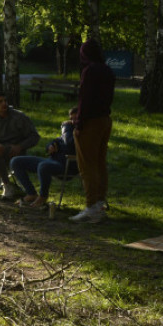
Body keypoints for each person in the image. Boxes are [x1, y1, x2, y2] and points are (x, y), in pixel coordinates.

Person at [70, 39, 115, 224]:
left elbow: (84, 100)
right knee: (99, 162)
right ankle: (100, 202)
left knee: (87, 165)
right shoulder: (107, 70)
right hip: (105, 119)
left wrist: (79, 124)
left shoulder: (89, 71)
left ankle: (91, 206)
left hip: (90, 122)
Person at [9, 107, 78, 207]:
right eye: (71, 119)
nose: (73, 121)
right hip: (52, 160)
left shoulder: (80, 131)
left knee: (43, 165)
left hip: (67, 165)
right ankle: (31, 193)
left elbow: (69, 143)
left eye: (76, 119)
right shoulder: (70, 130)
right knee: (16, 161)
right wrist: (50, 146)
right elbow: (58, 140)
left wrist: (66, 127)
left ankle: (43, 196)